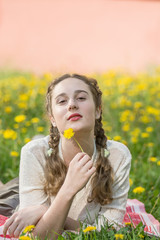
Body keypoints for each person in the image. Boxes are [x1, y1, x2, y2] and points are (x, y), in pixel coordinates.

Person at [3, 73, 131, 239]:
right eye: (62, 101)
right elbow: (36, 236)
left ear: (98, 111)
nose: (72, 105)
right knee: (6, 193)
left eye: (81, 98)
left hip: (42, 195)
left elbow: (109, 232)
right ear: (53, 119)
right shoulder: (33, 152)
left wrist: (46, 210)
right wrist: (68, 189)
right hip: (13, 201)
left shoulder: (117, 155)